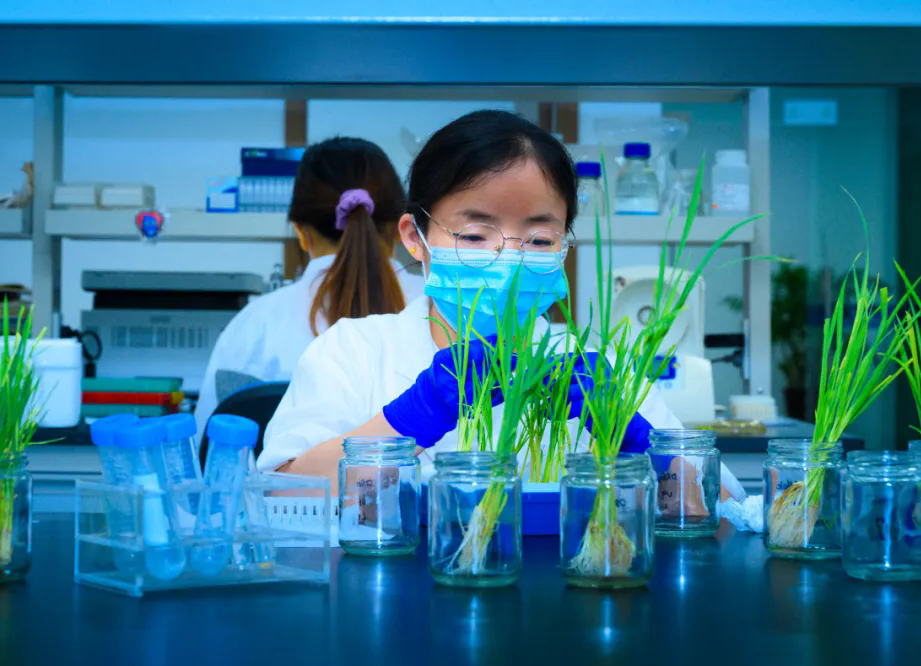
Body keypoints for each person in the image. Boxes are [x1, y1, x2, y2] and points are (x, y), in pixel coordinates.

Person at [258, 110, 746, 502]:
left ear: (564, 245)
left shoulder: (594, 368)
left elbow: (726, 508)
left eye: (539, 239)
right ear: (414, 236)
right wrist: (410, 418)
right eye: (474, 235)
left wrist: (633, 434)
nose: (508, 257)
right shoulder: (353, 352)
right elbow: (279, 492)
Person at [193, 137, 425, 441]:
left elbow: (211, 445)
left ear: (300, 232)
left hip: (286, 475)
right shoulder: (443, 309)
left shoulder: (254, 326)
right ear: (401, 228)